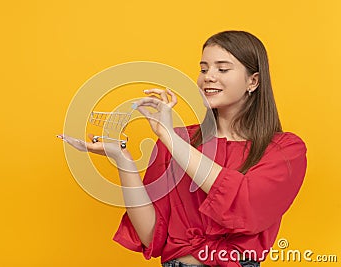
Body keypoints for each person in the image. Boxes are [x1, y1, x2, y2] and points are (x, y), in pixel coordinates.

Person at [57, 30, 307, 267]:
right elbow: (151, 234)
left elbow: (245, 204)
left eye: (222, 68)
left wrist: (169, 138)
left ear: (253, 81)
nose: (208, 76)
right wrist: (123, 160)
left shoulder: (285, 149)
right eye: (203, 68)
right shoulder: (176, 140)